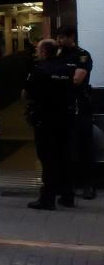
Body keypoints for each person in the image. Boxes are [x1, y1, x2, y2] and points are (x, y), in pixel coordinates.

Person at [26, 39, 75, 209]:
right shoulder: (68, 69)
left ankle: (47, 198)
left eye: (38, 50)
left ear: (44, 52)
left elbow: (29, 94)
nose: (36, 53)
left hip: (45, 121)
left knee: (47, 159)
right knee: (64, 157)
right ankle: (68, 195)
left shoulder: (39, 70)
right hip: (65, 119)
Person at [55, 25, 96, 200]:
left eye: (62, 37)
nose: (59, 40)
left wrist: (56, 79)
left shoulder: (82, 55)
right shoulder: (58, 54)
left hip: (80, 107)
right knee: (65, 147)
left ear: (71, 37)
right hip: (62, 107)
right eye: (58, 37)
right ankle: (67, 185)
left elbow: (77, 80)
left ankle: (89, 185)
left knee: (84, 146)